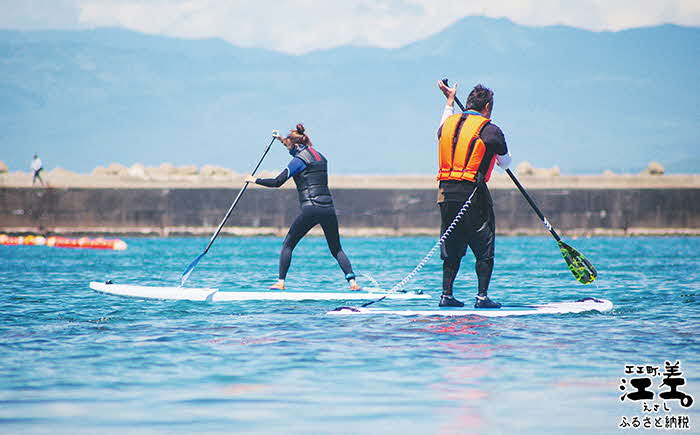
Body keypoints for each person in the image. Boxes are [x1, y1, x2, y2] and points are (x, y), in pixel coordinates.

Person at [244, 124, 360, 291]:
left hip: (311, 208)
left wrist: (254, 180)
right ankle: (353, 283)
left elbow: (277, 182)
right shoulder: (320, 157)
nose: (289, 150)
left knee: (288, 245)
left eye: (289, 146)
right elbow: (292, 145)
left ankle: (280, 283)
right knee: (336, 248)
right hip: (328, 208)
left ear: (297, 146)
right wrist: (280, 140)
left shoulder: (298, 161)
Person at [435, 81, 512, 308]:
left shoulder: (447, 125)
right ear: (487, 107)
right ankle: (482, 297)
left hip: (446, 194)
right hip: (473, 195)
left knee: (451, 246)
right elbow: (505, 163)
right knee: (484, 245)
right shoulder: (492, 131)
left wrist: (449, 102)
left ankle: (446, 295)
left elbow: (441, 130)